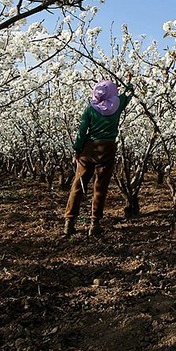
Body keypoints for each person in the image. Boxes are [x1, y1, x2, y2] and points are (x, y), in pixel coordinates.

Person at [62, 78, 134, 237]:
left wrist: (77, 150)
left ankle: (69, 221)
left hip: (88, 149)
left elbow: (81, 132)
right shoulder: (117, 105)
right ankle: (95, 223)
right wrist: (128, 83)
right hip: (107, 148)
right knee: (100, 186)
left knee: (78, 184)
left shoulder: (89, 109)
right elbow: (129, 93)